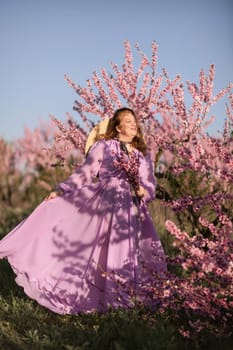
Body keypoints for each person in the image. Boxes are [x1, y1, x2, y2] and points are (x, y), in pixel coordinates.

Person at [0, 107, 166, 314]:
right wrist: (61, 190)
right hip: (105, 204)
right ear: (117, 127)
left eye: (135, 121)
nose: (134, 124)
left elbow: (150, 184)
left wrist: (144, 191)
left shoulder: (142, 157)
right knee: (102, 250)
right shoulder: (104, 147)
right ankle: (105, 300)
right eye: (128, 120)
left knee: (128, 251)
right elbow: (85, 173)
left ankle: (125, 301)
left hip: (131, 210)